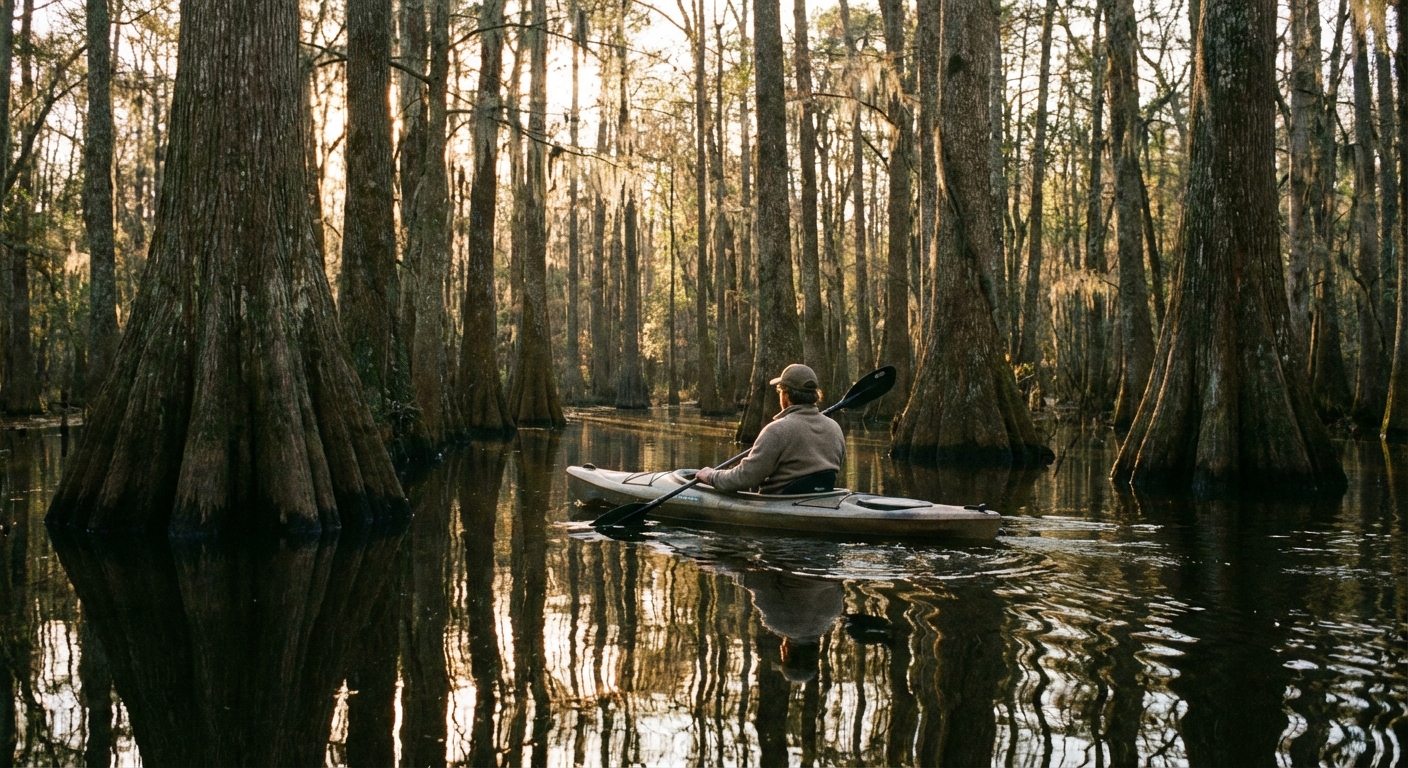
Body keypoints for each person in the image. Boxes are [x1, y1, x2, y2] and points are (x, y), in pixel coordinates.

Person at [696, 363, 845, 494]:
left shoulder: (776, 430)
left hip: (781, 502)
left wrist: (711, 476)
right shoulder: (835, 427)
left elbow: (744, 478)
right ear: (814, 396)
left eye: (779, 392)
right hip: (823, 497)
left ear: (785, 395)